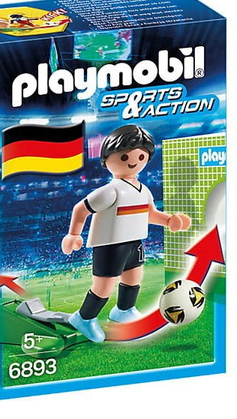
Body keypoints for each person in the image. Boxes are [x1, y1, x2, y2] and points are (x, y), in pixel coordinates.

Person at [61, 125, 191, 342]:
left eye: (141, 156)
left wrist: (169, 220)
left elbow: (149, 213)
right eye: (124, 156)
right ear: (107, 160)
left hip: (134, 241)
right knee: (104, 285)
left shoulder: (143, 189)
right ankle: (84, 317)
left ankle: (123, 310)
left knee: (134, 278)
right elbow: (81, 209)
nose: (133, 161)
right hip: (110, 244)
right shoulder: (111, 191)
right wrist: (73, 234)